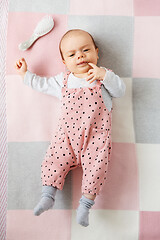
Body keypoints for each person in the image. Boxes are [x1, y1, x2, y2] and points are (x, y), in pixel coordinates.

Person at [15, 29, 126, 227]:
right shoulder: (63, 80)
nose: (80, 56)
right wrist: (26, 74)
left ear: (96, 52)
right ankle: (48, 195)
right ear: (65, 62)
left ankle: (85, 204)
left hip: (96, 138)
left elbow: (120, 91)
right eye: (72, 54)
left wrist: (105, 75)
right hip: (65, 137)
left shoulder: (103, 77)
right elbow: (42, 84)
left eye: (85, 50)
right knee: (53, 160)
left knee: (96, 169)